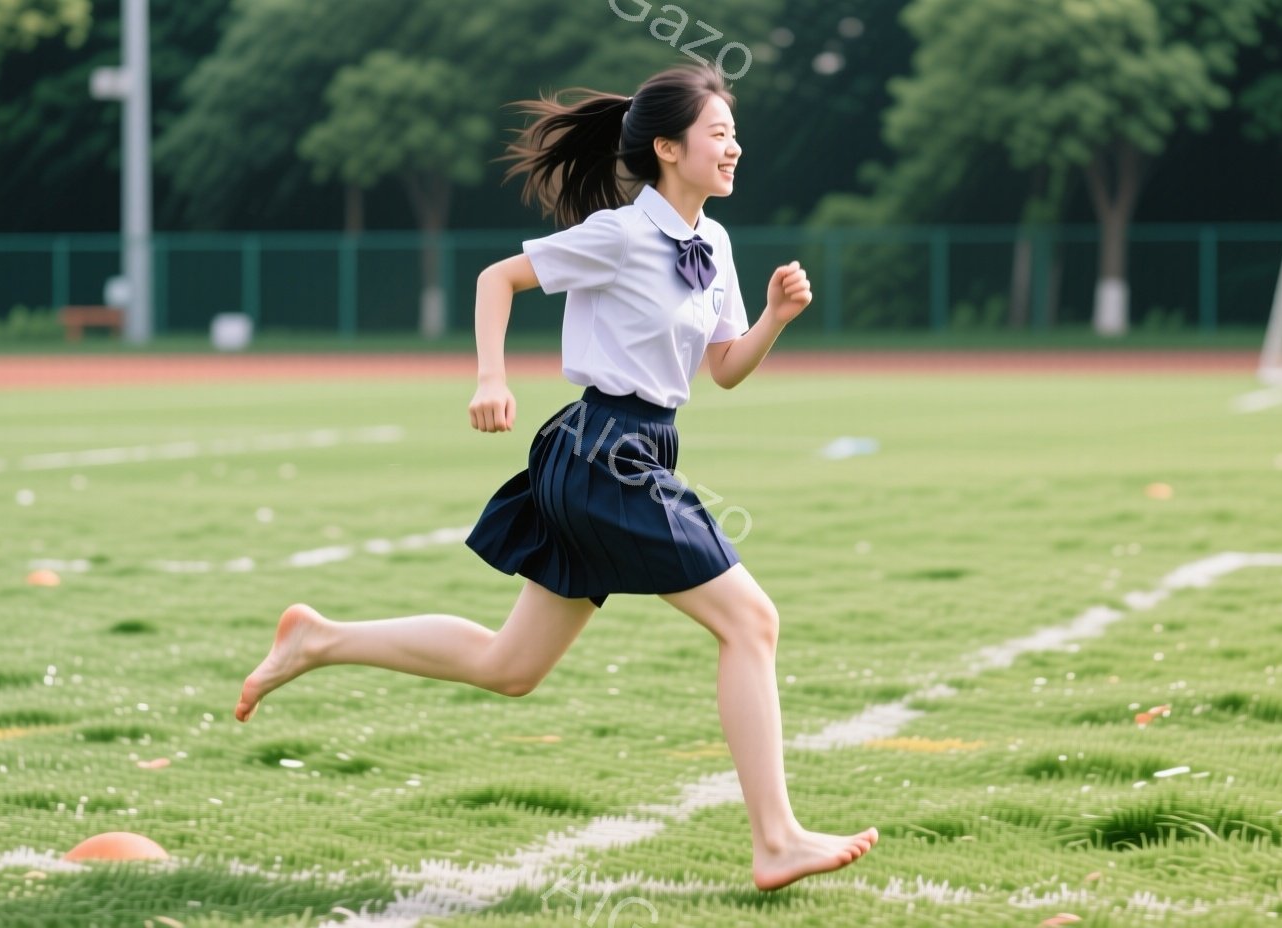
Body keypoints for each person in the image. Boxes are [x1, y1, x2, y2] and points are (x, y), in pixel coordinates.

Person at [235, 64, 876, 892]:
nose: (735, 147)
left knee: (512, 667)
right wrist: (490, 377)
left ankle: (318, 639)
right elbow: (496, 278)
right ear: (668, 148)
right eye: (720, 134)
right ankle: (777, 839)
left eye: (732, 133)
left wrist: (774, 321)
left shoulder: (711, 243)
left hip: (640, 448)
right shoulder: (618, 234)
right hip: (603, 450)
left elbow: (722, 369)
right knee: (751, 622)